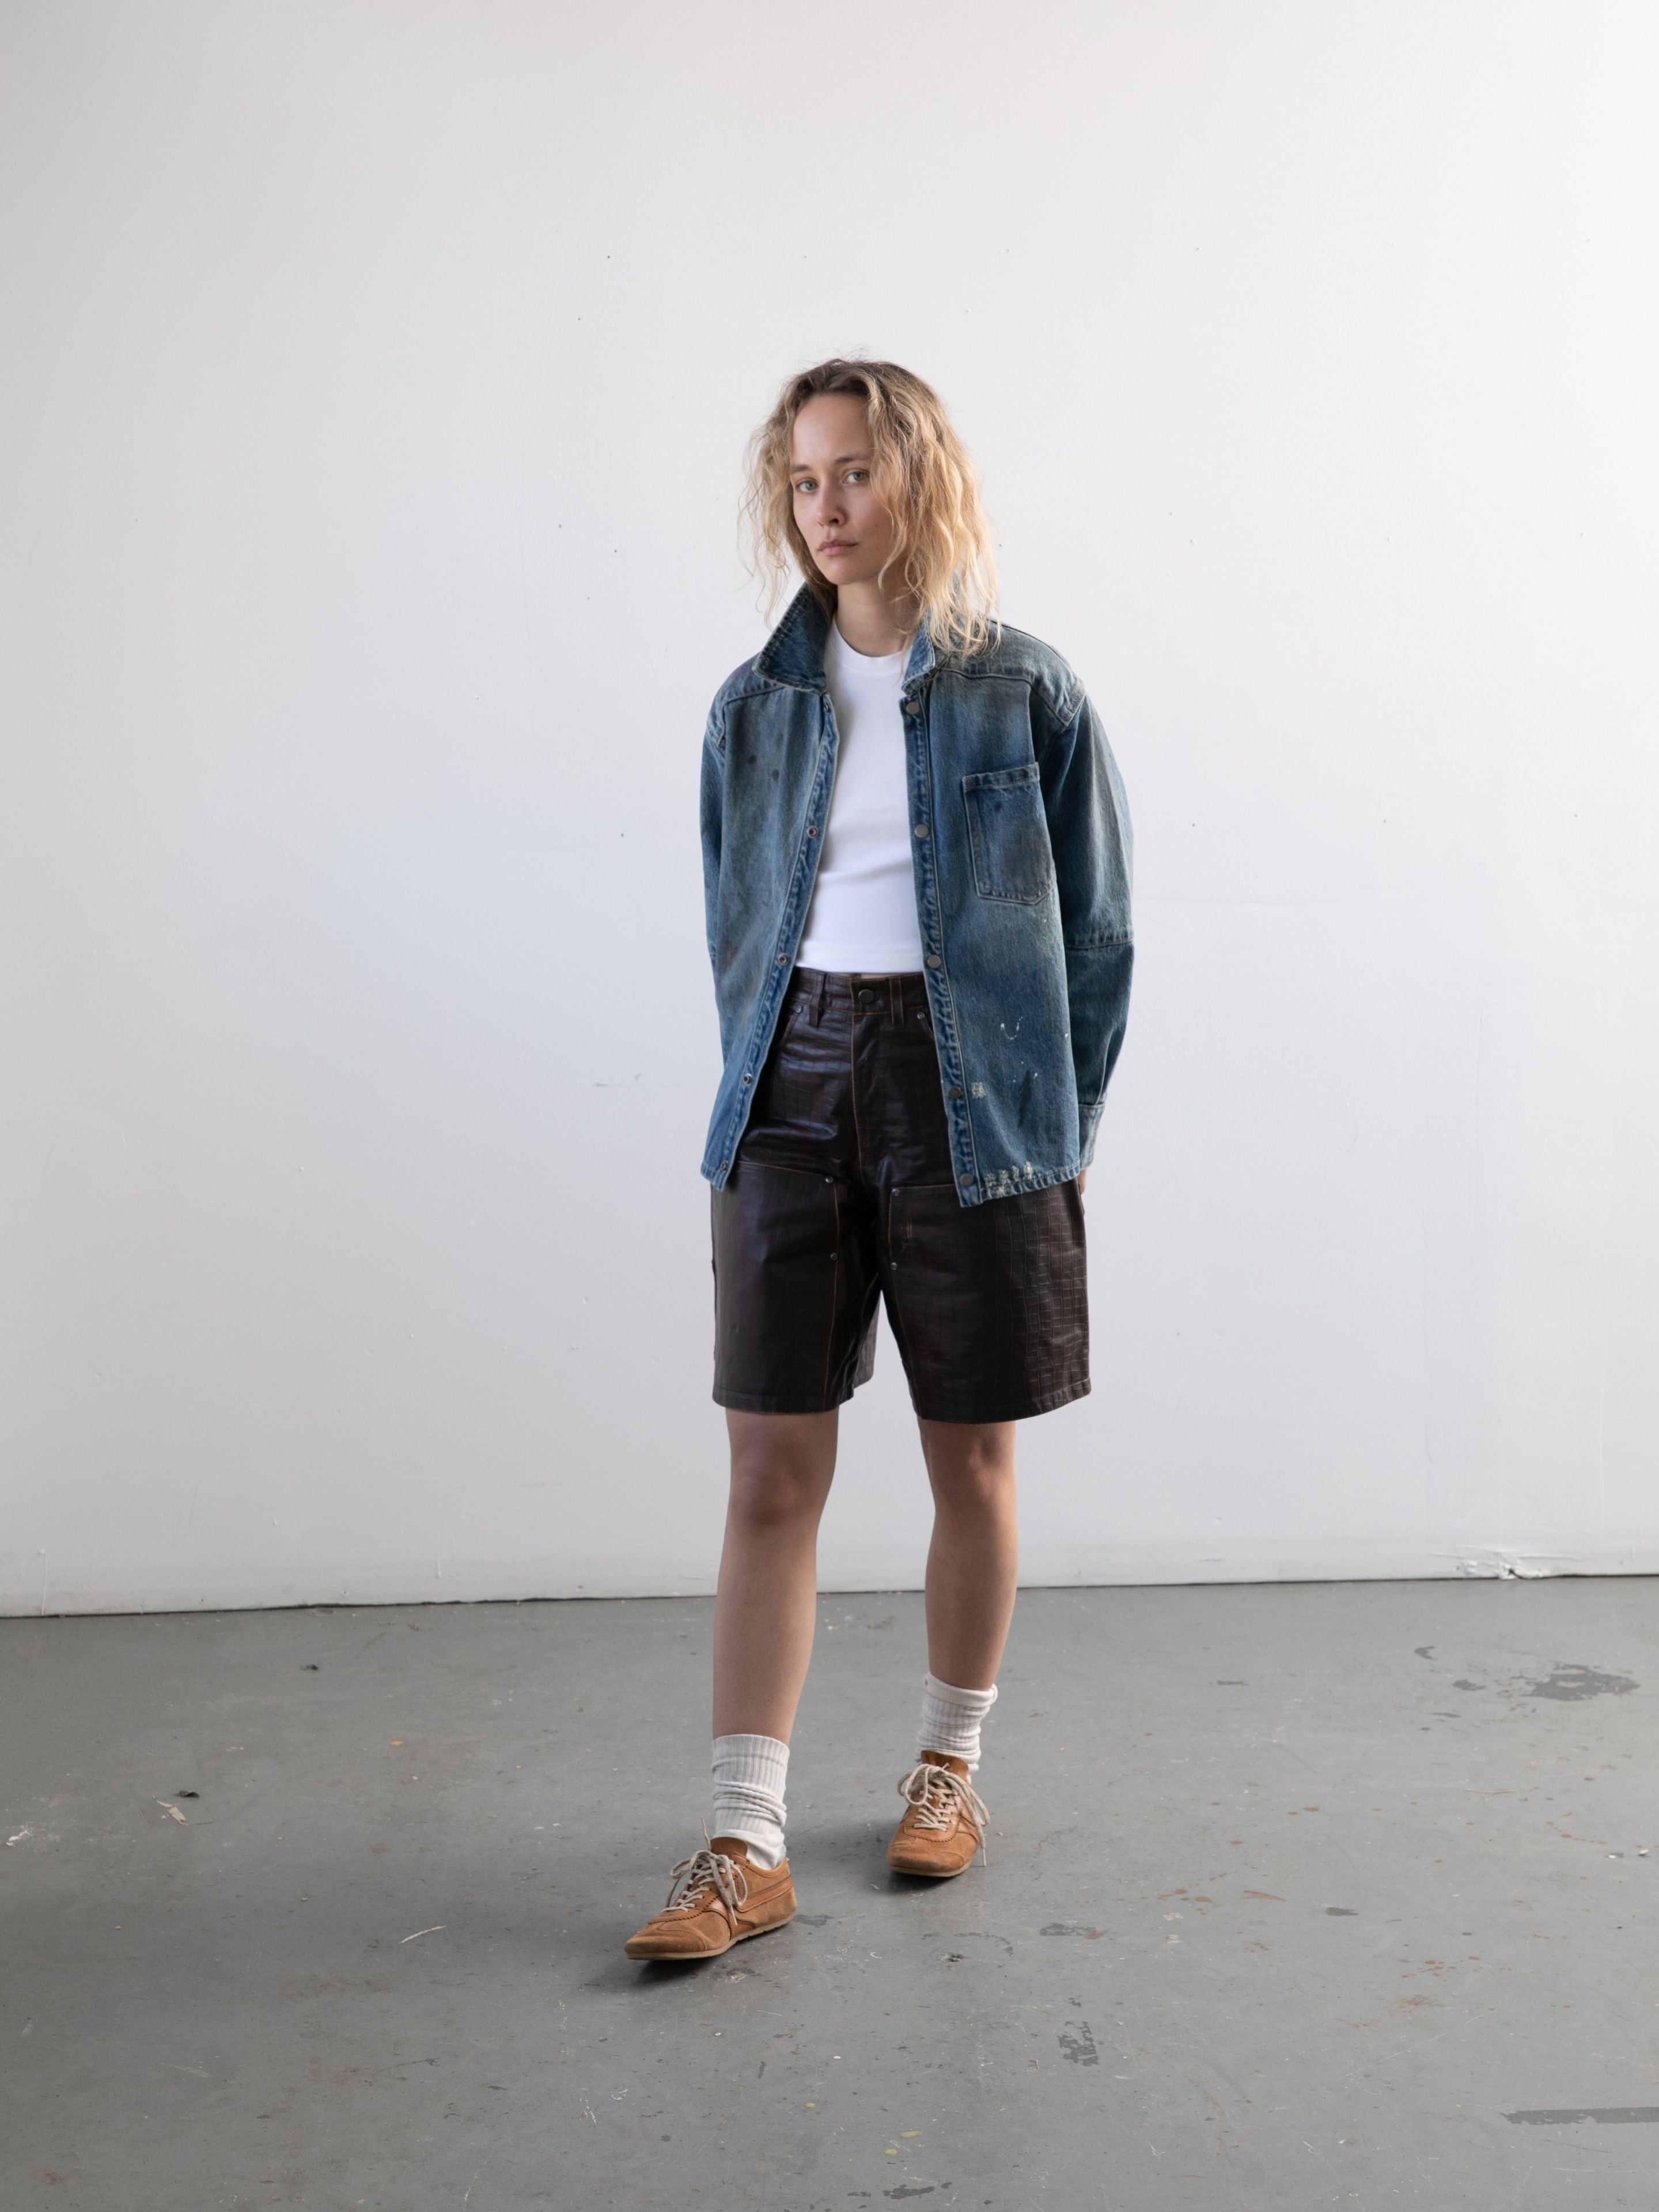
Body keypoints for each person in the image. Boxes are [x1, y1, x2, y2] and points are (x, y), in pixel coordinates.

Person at [624, 359, 1133, 1961]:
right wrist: (767, 1078)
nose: (826, 509)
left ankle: (949, 1768)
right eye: (801, 481)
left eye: (852, 475)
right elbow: (733, 923)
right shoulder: (753, 705)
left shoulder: (1024, 692)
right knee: (770, 1467)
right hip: (790, 1090)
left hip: (974, 1094)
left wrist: (1053, 1129)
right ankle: (741, 1839)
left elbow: (1098, 940)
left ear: (917, 478)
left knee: (969, 1453)